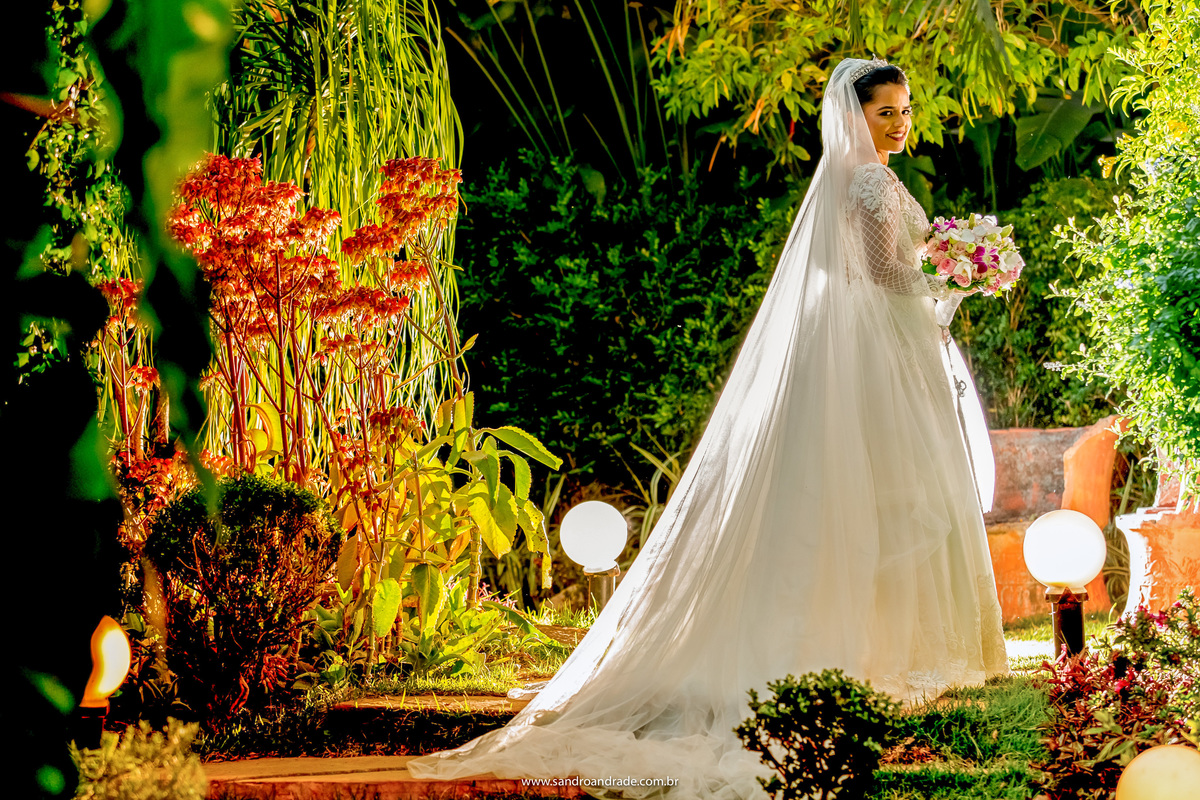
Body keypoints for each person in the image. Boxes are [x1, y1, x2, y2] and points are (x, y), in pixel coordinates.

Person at [407, 57, 1008, 799]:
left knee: (850, 496)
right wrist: (955, 274)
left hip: (863, 345)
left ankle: (862, 650)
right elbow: (885, 274)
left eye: (905, 109)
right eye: (886, 111)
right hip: (876, 347)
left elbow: (846, 274)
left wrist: (945, 270)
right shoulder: (870, 181)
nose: (900, 122)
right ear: (857, 116)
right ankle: (877, 656)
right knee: (888, 494)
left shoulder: (857, 180)